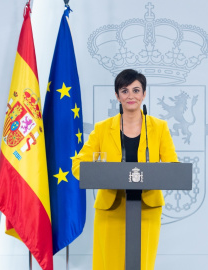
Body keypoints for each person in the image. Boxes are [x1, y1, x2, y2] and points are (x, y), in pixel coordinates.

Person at [72, 69, 178, 270]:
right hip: (111, 208)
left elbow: (174, 167)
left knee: (141, 265)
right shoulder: (102, 128)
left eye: (136, 90)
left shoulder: (159, 127)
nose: (131, 96)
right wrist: (101, 175)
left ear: (144, 94)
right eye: (125, 90)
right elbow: (78, 166)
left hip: (147, 209)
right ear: (117, 96)